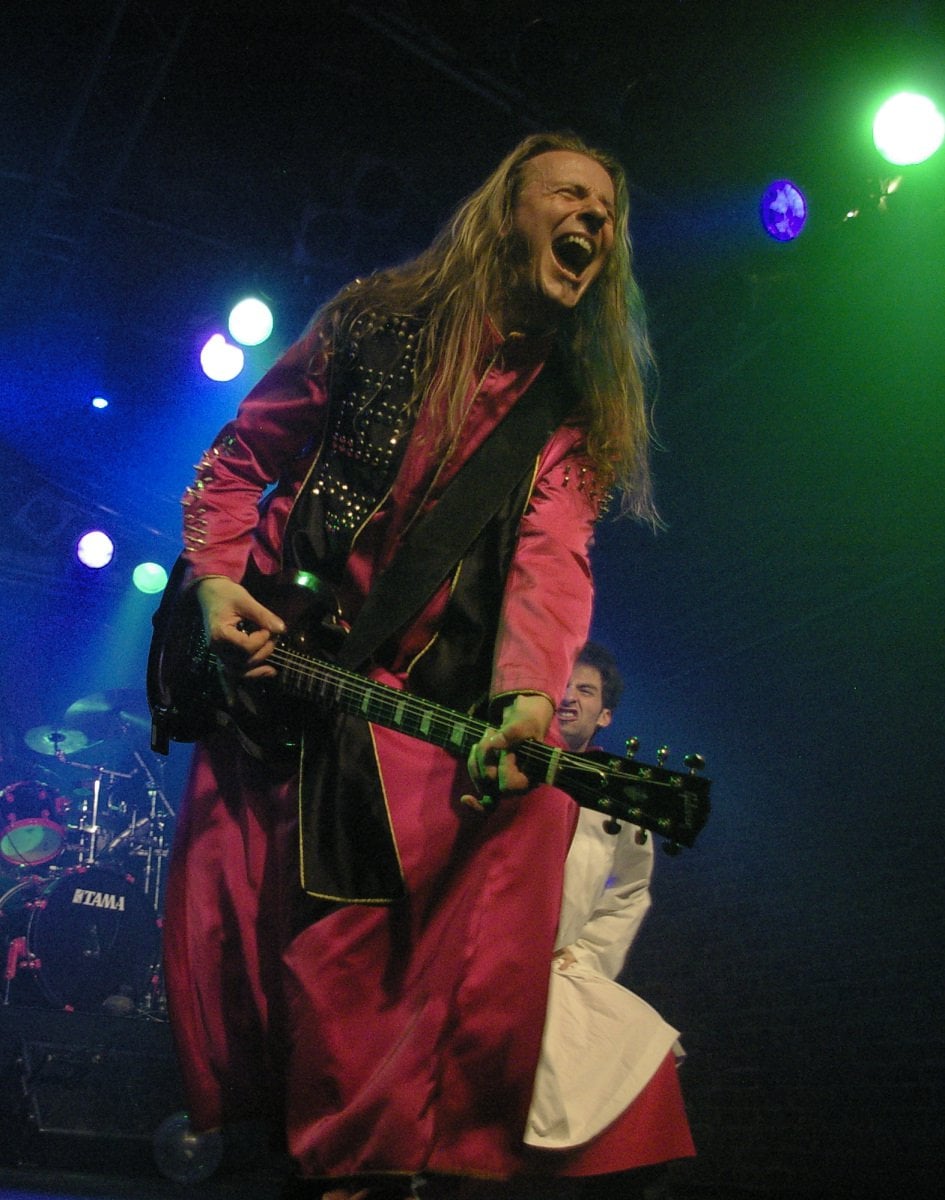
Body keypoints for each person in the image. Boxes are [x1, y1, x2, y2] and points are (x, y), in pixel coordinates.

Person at [158, 131, 668, 1200]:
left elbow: (553, 557)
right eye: (570, 194)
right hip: (271, 682)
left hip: (400, 713)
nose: (594, 217)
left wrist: (528, 695)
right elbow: (239, 457)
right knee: (249, 958)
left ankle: (378, 1162)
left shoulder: (569, 405)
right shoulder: (372, 322)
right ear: (508, 210)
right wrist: (212, 582)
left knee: (434, 899)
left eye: (608, 210)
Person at [520, 643, 693, 1198]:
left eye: (586, 690)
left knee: (643, 1050)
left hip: (557, 966)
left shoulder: (620, 793)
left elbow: (627, 892)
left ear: (606, 715)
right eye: (563, 684)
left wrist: (585, 956)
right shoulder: (507, 764)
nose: (569, 697)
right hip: (484, 954)